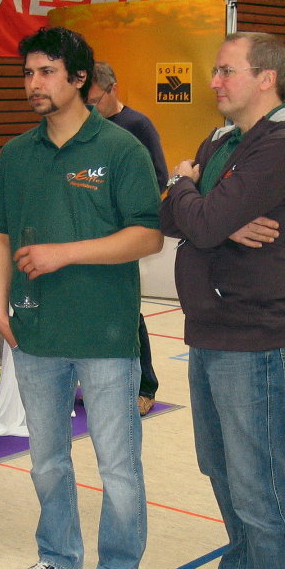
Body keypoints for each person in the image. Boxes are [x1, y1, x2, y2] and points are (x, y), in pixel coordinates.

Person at [0, 27, 162, 569]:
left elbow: (148, 235)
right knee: (47, 458)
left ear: (79, 78)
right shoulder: (17, 154)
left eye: (46, 72)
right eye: (28, 73)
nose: (33, 84)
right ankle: (58, 553)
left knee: (117, 464)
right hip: (36, 332)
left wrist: (65, 253)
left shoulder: (120, 149)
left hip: (105, 334)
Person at [161, 31, 285, 569]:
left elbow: (195, 219)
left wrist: (187, 188)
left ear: (266, 78)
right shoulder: (224, 138)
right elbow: (172, 218)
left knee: (257, 480)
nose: (214, 82)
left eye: (227, 71)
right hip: (209, 326)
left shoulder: (282, 147)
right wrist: (211, 213)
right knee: (219, 465)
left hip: (252, 337)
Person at [88, 61, 168, 416]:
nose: (91, 110)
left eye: (95, 101)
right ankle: (101, 383)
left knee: (129, 311)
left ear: (114, 89)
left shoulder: (137, 125)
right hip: (90, 236)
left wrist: (123, 210)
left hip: (123, 235)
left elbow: (159, 178)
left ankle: (144, 386)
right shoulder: (84, 128)